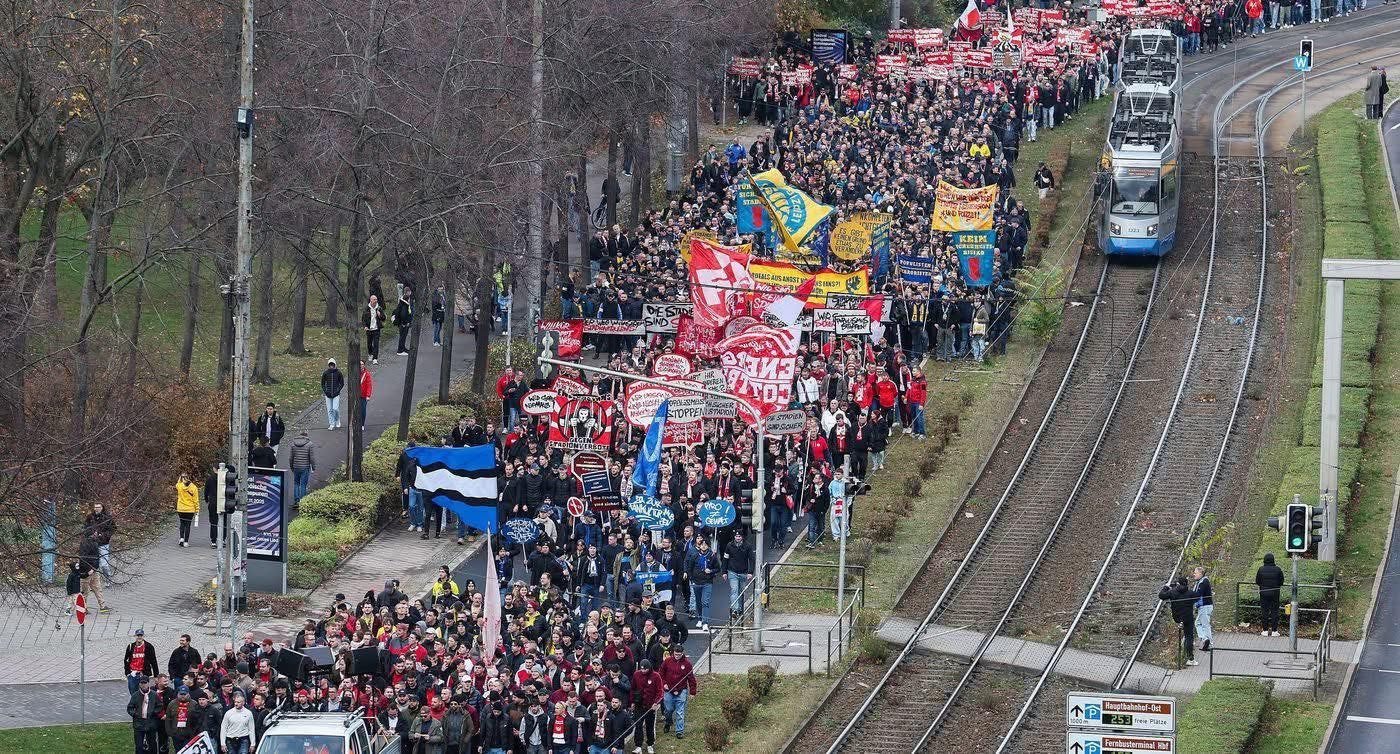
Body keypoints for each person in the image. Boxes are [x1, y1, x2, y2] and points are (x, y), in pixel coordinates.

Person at [1158, 576, 1198, 666]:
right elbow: (1197, 597)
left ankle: (1180, 625)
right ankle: (1190, 658)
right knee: (1189, 637)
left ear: (1178, 584)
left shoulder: (1172, 592)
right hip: (1188, 618)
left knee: (1186, 634)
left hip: (1177, 617)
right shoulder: (1190, 593)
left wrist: (1166, 587)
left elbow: (1161, 595)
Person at [659, 645, 696, 739]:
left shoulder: (687, 664)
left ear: (682, 653)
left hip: (681, 690)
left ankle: (679, 731)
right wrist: (664, 684)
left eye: (679, 655)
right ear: (673, 653)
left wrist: (692, 692)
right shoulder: (667, 662)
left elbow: (691, 678)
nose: (677, 656)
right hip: (668, 690)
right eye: (676, 654)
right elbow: (661, 674)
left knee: (680, 712)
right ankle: (668, 722)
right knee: (668, 710)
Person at [722, 530, 753, 622]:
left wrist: (750, 572)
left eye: (739, 536)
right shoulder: (729, 545)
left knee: (741, 592)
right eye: (736, 536)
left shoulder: (748, 546)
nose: (738, 538)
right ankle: (734, 610)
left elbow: (751, 559)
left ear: (742, 537)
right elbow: (725, 559)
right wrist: (724, 572)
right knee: (734, 590)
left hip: (743, 572)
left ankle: (740, 609)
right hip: (732, 571)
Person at [129, 674, 161, 754]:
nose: (143, 685)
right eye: (141, 683)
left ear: (148, 683)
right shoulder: (135, 695)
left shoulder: (154, 694)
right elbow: (130, 708)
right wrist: (135, 714)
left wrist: (153, 712)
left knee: (152, 744)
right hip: (139, 724)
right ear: (139, 683)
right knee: (139, 745)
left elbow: (159, 706)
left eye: (145, 683)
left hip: (151, 723)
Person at [1255, 552, 1285, 636]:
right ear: (1273, 560)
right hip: (1275, 593)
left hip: (1263, 593)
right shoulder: (1278, 569)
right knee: (1274, 611)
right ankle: (1274, 631)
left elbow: (1257, 581)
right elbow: (1281, 581)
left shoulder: (1261, 569)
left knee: (1264, 611)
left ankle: (1265, 630)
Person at [78, 534, 110, 613]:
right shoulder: (92, 544)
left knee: (88, 590)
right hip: (89, 571)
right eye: (95, 533)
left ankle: (84, 608)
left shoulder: (84, 544)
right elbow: (92, 558)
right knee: (95, 589)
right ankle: (102, 606)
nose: (97, 534)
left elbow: (83, 559)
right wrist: (92, 569)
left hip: (87, 570)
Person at [83, 501, 115, 578]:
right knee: (91, 564)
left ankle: (108, 580)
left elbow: (112, 529)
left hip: (103, 543)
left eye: (99, 507)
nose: (97, 509)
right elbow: (85, 528)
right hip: (92, 543)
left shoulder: (107, 517)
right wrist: (90, 534)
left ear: (102, 508)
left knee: (104, 564)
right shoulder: (90, 517)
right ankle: (93, 583)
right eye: (95, 507)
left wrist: (102, 535)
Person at [288, 430, 316, 505]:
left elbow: (291, 458)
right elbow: (312, 458)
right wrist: (313, 467)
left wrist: (291, 467)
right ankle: (302, 501)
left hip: (296, 466)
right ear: (306, 436)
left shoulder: (293, 444)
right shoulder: (310, 444)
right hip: (305, 467)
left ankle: (296, 500)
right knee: (303, 484)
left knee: (296, 483)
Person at [1192, 565, 1214, 652]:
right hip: (1205, 606)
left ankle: (1208, 642)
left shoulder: (1203, 582)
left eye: (1195, 573)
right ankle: (1205, 639)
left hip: (1204, 606)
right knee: (1198, 623)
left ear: (1200, 573)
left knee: (1204, 625)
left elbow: (1198, 594)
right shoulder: (1202, 581)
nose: (1194, 574)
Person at [175, 472, 199, 547]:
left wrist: (180, 478)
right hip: (190, 509)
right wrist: (197, 509)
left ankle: (181, 538)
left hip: (181, 508)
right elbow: (196, 500)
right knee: (188, 525)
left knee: (182, 524)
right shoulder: (194, 487)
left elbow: (177, 484)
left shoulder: (179, 486)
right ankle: (186, 542)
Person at [321, 358, 345, 430]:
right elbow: (322, 383)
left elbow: (342, 383)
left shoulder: (339, 373)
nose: (331, 366)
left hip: (336, 394)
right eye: (330, 365)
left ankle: (337, 421)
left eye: (332, 364)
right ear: (328, 365)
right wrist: (326, 391)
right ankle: (331, 423)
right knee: (330, 410)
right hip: (328, 395)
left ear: (335, 365)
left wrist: (338, 391)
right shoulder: (325, 373)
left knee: (335, 409)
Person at [393, 285, 414, 355]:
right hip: (403, 323)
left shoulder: (404, 303)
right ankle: (400, 350)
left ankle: (403, 348)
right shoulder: (404, 305)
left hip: (404, 323)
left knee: (404, 336)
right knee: (402, 336)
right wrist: (405, 322)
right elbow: (403, 315)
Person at [364, 293, 385, 363]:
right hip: (369, 329)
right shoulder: (367, 308)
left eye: (376, 299)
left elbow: (384, 318)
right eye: (374, 299)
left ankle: (375, 358)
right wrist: (365, 326)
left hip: (376, 329)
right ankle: (370, 354)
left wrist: (380, 315)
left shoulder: (379, 308)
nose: (376, 301)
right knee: (369, 344)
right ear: (371, 300)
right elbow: (363, 319)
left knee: (376, 344)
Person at [359, 360, 373, 432]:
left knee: (363, 410)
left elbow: (369, 385)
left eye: (362, 364)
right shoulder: (355, 373)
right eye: (360, 364)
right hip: (356, 396)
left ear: (364, 365)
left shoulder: (367, 374)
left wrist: (368, 395)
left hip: (363, 396)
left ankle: (362, 424)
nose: (361, 366)